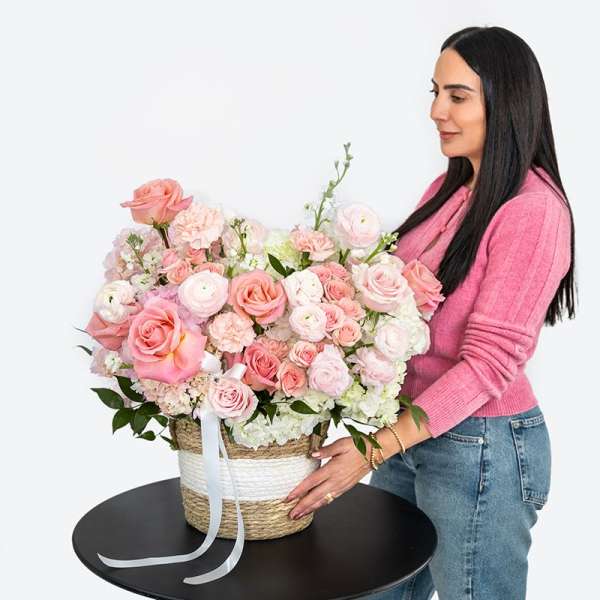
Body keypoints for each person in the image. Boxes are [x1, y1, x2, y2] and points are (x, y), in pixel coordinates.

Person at [283, 25, 577, 599]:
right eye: (436, 92)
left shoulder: (533, 212)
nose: (437, 111)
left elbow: (488, 365)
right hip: (411, 434)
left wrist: (374, 448)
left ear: (508, 102)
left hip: (480, 449)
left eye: (458, 96)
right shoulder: (449, 189)